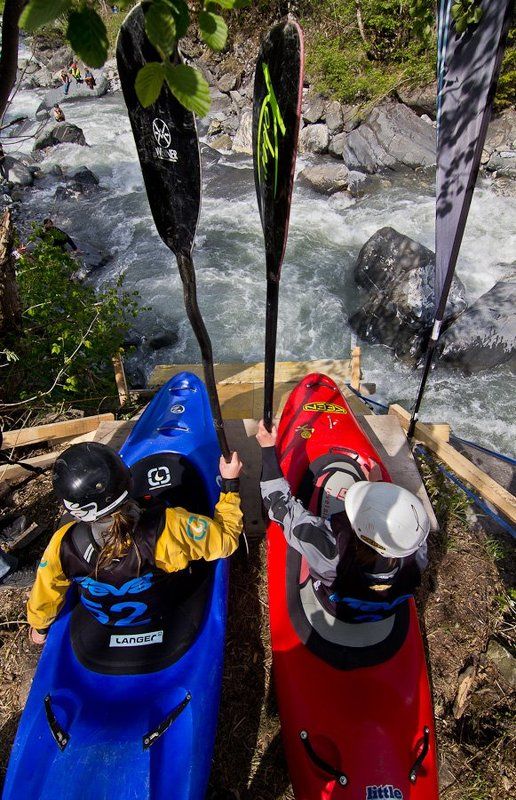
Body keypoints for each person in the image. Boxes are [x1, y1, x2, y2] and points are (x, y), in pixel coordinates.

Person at [27, 442, 243, 644]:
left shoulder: (62, 542)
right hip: (162, 611)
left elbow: (46, 589)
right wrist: (230, 485)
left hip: (106, 620)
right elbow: (226, 541)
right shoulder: (169, 524)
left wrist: (40, 628)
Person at [256, 421, 430, 623]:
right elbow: (389, 531)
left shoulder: (328, 549)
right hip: (383, 606)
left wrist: (268, 449)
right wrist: (378, 487)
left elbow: (278, 505)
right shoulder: (415, 547)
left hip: (336, 603)